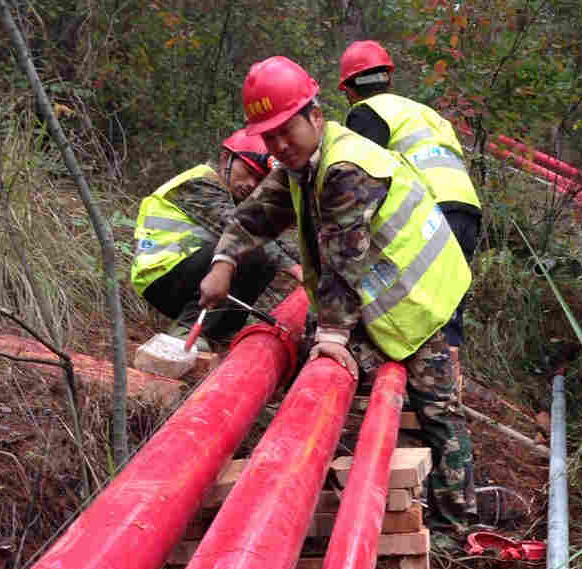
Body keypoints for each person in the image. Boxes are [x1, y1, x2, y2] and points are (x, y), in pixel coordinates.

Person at [199, 56, 477, 530]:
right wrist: (223, 261)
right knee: (339, 363)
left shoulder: (347, 167)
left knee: (436, 408)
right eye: (270, 137)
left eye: (288, 130)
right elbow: (256, 214)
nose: (280, 145)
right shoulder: (299, 164)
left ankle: (457, 523)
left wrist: (332, 338)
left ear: (315, 115)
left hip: (421, 297)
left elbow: (344, 263)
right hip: (385, 295)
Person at [338, 40, 482, 386]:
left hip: (427, 211)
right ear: (388, 76)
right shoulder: (425, 113)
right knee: (446, 300)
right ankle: (449, 390)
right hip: (466, 209)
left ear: (348, 90)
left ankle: (390, 384)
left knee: (397, 294)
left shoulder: (367, 112)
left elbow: (360, 177)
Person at [130, 128, 298, 351]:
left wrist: (308, 264)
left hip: (185, 274)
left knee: (262, 258)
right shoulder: (199, 184)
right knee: (247, 250)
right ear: (225, 158)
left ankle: (220, 334)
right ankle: (186, 332)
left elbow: (271, 236)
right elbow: (242, 232)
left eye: (260, 180)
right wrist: (296, 270)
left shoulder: (233, 196)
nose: (251, 184)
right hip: (161, 275)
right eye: (248, 171)